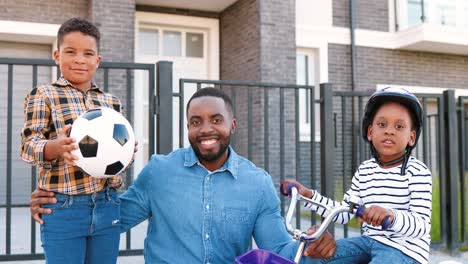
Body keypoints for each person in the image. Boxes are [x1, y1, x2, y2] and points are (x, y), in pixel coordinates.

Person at [30, 87, 337, 263]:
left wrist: (310, 246)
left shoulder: (257, 183)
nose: (205, 129)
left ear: (232, 124)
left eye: (216, 119)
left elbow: (277, 248)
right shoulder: (160, 172)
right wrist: (58, 205)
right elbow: (111, 219)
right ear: (188, 127)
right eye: (195, 121)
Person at [21, 17, 134, 264]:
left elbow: (117, 152)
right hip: (63, 207)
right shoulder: (44, 94)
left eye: (88, 53)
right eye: (70, 52)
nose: (79, 59)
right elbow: (29, 145)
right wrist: (55, 147)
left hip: (107, 204)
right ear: (57, 55)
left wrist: (127, 153)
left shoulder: (112, 103)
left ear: (97, 60)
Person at [282, 87, 432, 264]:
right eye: (382, 124)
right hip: (368, 243)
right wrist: (307, 195)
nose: (389, 131)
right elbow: (343, 213)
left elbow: (421, 225)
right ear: (370, 132)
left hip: (405, 250)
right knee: (312, 255)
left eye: (399, 126)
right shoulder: (365, 170)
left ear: (411, 138)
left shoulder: (418, 172)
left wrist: (391, 216)